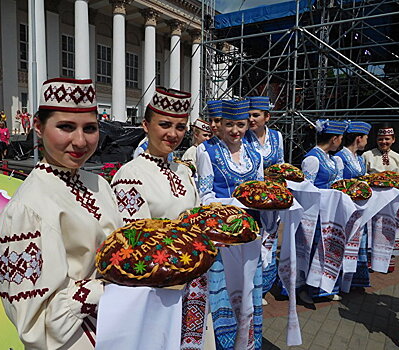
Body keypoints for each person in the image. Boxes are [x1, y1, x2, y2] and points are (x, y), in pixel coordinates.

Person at [0, 78, 123, 349]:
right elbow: (32, 324)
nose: (79, 141)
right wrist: (103, 289)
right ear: (38, 127)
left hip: (117, 324)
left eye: (90, 129)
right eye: (65, 127)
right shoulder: (27, 208)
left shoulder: (97, 183)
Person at [110, 88, 212, 349]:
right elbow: (135, 243)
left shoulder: (183, 171)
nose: (173, 134)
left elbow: (196, 219)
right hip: (158, 287)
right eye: (164, 125)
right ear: (146, 125)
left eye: (180, 127)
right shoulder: (129, 175)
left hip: (194, 282)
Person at [197, 99, 264, 349]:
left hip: (250, 233)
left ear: (248, 125)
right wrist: (237, 205)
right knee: (223, 290)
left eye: (240, 124)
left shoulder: (254, 153)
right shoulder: (207, 151)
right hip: (221, 236)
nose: (235, 131)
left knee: (247, 288)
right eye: (229, 125)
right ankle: (221, 342)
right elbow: (204, 197)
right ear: (220, 125)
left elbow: (260, 191)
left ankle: (245, 340)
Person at [300, 119, 348, 303]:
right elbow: (307, 189)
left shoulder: (330, 158)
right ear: (334, 139)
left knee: (326, 250)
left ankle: (322, 287)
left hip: (329, 212)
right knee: (312, 251)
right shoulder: (313, 159)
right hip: (316, 213)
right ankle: (304, 289)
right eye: (340, 139)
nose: (341, 142)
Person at [245, 96, 284, 304]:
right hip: (251, 198)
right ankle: (251, 285)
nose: (251, 119)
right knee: (253, 240)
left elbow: (280, 164)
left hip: (271, 199)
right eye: (249, 115)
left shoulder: (277, 137)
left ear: (266, 117)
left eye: (256, 115)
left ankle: (264, 287)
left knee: (269, 238)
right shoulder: (242, 137)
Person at [363, 125, 399, 273]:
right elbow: (362, 176)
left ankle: (388, 260)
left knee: (389, 228)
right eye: (380, 139)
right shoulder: (367, 156)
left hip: (391, 202)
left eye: (387, 139)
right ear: (376, 140)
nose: (384, 142)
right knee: (371, 228)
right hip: (373, 201)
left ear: (393, 140)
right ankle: (370, 259)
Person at [335, 121, 372, 289]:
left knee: (358, 243)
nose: (366, 141)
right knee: (345, 243)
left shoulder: (359, 158)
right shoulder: (340, 157)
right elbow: (338, 184)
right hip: (347, 208)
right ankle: (341, 280)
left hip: (360, 208)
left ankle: (354, 281)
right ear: (358, 138)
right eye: (365, 138)